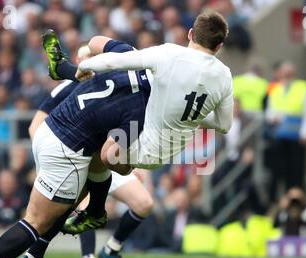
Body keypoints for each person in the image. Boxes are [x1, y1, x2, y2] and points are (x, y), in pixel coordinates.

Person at [0, 31, 154, 258]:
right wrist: (132, 165)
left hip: (56, 133)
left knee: (73, 196)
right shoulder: (141, 106)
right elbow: (112, 157)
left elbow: (97, 40)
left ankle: (39, 256)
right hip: (65, 148)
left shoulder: (127, 56)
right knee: (36, 222)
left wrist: (73, 68)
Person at [58, 11, 233, 233]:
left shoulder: (170, 53)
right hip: (169, 152)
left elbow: (116, 62)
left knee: (103, 152)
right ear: (219, 46)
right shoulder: (224, 75)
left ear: (190, 33)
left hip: (142, 141)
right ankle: (85, 209)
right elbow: (224, 125)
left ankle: (88, 210)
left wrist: (83, 66)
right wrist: (193, 117)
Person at [23, 44, 154, 258]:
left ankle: (111, 250)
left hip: (110, 158)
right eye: (85, 57)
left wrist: (132, 163)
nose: (89, 61)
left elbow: (131, 125)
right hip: (78, 159)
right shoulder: (68, 87)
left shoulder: (121, 79)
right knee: (79, 207)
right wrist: (49, 163)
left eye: (92, 57)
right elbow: (35, 126)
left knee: (143, 203)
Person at [266, 61, 306, 202]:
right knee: (277, 172)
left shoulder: (302, 88)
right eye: (284, 74)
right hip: (280, 137)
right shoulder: (275, 90)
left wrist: (305, 134)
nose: (286, 77)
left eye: (289, 74)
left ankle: (295, 201)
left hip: (296, 138)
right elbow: (269, 112)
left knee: (295, 174)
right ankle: (277, 201)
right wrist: (274, 117)